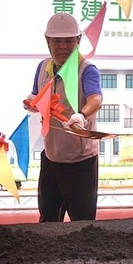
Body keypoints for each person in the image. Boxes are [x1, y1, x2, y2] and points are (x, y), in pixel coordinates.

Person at [23, 13, 102, 221]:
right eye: (57, 41)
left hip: (81, 162)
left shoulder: (87, 69)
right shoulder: (43, 67)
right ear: (47, 42)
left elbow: (96, 99)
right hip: (51, 157)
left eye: (69, 41)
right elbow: (36, 93)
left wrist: (81, 115)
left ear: (78, 41)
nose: (63, 47)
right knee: (48, 220)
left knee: (83, 224)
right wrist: (32, 101)